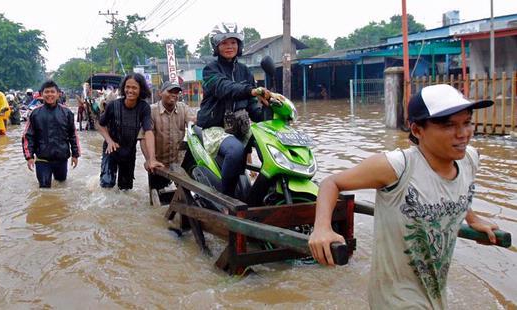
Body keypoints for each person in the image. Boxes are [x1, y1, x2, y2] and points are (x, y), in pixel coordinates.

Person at [308, 84, 501, 309]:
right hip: (396, 299)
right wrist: (322, 228)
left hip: (434, 293)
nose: (462, 134)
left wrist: (472, 218)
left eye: (467, 122)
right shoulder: (397, 167)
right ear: (417, 130)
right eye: (449, 125)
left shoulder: (469, 159)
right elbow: (332, 182)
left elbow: (458, 189)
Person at [196, 22, 271, 197]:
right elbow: (224, 87)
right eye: (224, 42)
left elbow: (253, 107)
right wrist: (249, 90)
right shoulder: (210, 70)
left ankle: (265, 192)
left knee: (270, 142)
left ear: (239, 45)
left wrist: (268, 111)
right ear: (216, 46)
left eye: (233, 42)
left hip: (240, 126)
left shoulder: (245, 71)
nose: (229, 46)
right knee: (235, 150)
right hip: (215, 128)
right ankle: (227, 198)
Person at [98, 73, 163, 190]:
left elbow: (148, 132)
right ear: (123, 88)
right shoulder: (113, 106)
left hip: (129, 152)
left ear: (141, 90)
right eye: (127, 87)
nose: (130, 90)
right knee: (106, 185)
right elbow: (100, 124)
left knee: (125, 189)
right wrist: (109, 141)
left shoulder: (144, 108)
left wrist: (152, 159)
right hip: (111, 150)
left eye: (134, 88)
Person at [22, 80, 80, 188]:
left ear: (58, 94)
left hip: (61, 158)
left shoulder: (67, 113)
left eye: (52, 92)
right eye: (46, 92)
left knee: (61, 186)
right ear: (41, 94)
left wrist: (75, 154)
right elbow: (27, 136)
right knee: (44, 190)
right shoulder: (35, 113)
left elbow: (73, 135)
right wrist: (29, 156)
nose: (50, 95)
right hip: (42, 159)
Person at [140, 81, 193, 190]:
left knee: (184, 194)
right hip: (158, 164)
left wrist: (194, 123)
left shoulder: (183, 108)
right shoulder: (151, 111)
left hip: (178, 162)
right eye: (170, 91)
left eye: (177, 92)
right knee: (156, 194)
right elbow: (143, 137)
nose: (174, 94)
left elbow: (193, 123)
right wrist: (149, 160)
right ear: (160, 93)